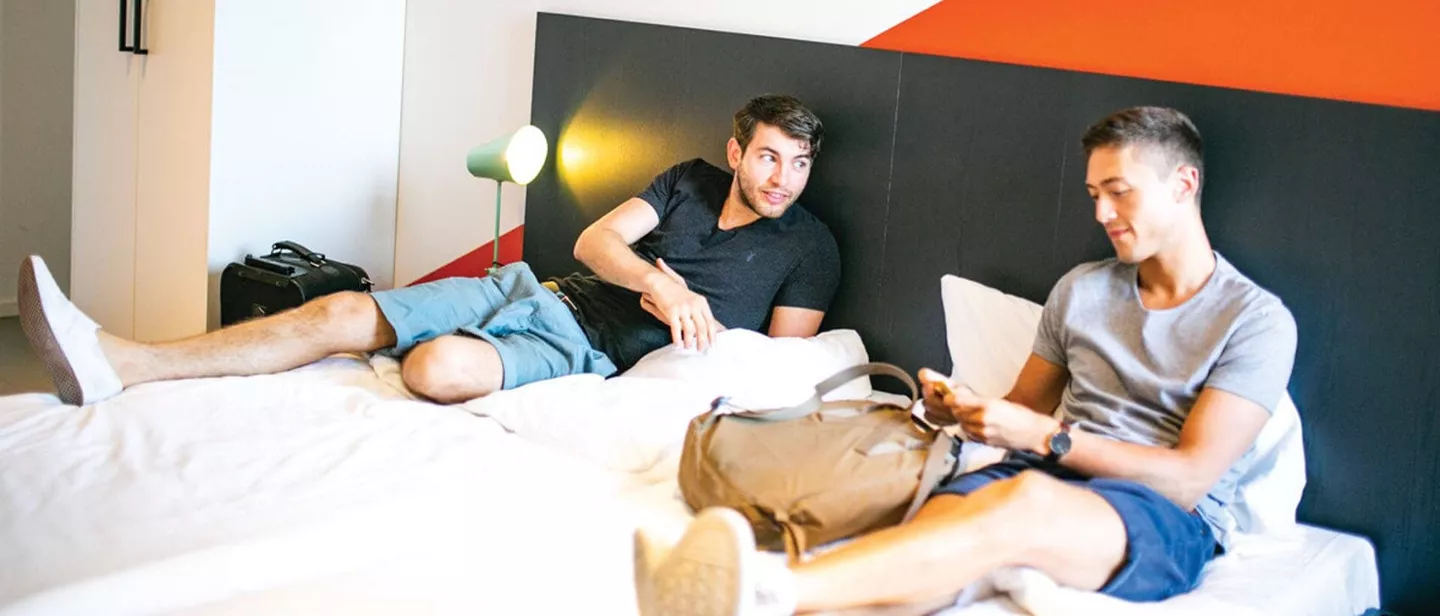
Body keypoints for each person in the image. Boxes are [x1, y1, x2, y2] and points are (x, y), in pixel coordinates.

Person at [635, 106, 1298, 615]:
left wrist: (1045, 439)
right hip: (1037, 470)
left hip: (1161, 517)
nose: (1100, 211)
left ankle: (760, 590)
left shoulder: (1253, 321)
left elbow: (1186, 479)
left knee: (1027, 499)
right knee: (916, 557)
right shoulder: (1084, 290)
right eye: (1094, 192)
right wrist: (964, 411)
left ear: (1183, 184)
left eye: (1118, 191)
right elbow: (1021, 411)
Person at [17, 94, 841, 406]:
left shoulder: (809, 247)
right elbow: (595, 241)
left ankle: (122, 364)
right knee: (339, 308)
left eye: (799, 163)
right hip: (541, 286)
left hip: (587, 345)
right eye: (770, 156)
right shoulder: (691, 180)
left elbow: (773, 368)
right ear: (737, 153)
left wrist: (680, 324)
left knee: (433, 370)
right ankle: (123, 361)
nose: (783, 179)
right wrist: (663, 285)